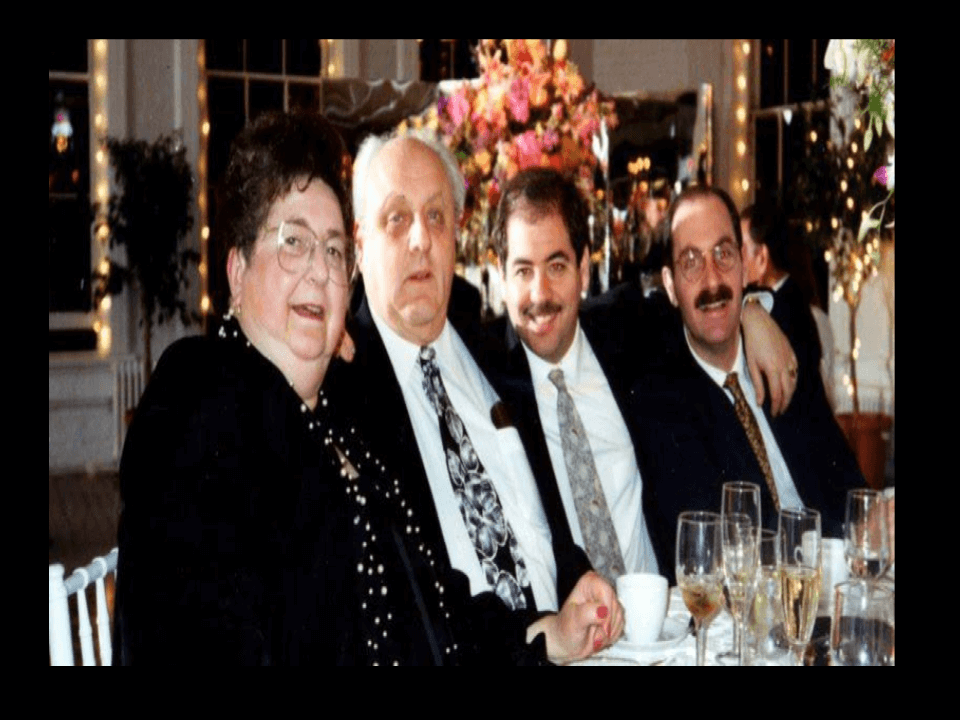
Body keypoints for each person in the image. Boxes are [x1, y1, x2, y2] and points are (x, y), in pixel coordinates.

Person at [325, 131, 623, 664]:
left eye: (437, 217)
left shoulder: (497, 356)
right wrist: (537, 637)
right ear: (359, 241)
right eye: (397, 218)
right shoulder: (341, 390)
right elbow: (408, 601)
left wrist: (578, 579)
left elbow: (543, 524)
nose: (421, 239)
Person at [488, 168, 799, 584]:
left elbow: (704, 299)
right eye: (523, 271)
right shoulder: (487, 377)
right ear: (501, 277)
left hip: (666, 621)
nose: (540, 294)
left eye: (557, 266)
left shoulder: (629, 336)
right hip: (570, 636)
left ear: (583, 268)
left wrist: (751, 310)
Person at [630, 186, 864, 581]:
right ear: (670, 286)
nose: (712, 280)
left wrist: (874, 521)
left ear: (745, 266)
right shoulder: (664, 405)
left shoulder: (783, 356)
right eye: (691, 262)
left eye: (724, 254)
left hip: (837, 588)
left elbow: (849, 489)